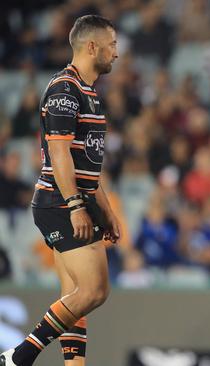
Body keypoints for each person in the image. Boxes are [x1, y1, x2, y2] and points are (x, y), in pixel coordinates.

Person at [1, 15, 120, 366]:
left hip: (74, 200)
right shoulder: (64, 90)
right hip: (61, 202)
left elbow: (89, 167)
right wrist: (75, 205)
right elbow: (59, 153)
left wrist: (107, 210)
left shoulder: (90, 93)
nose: (116, 53)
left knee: (74, 295)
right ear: (92, 46)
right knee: (95, 290)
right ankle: (21, 356)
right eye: (112, 45)